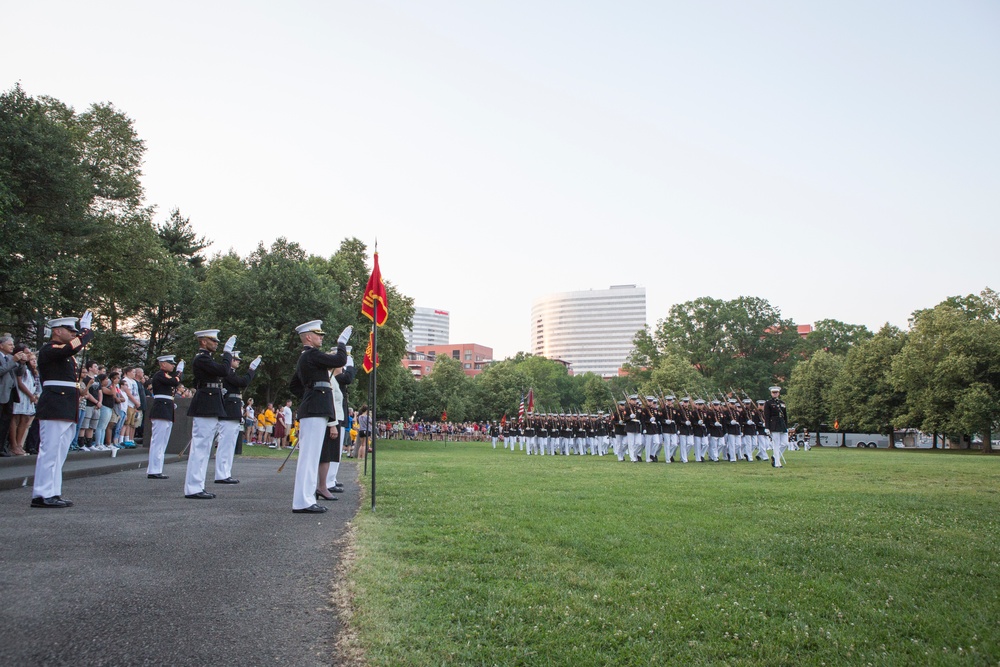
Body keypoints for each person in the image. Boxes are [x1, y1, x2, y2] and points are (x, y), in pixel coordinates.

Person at [31, 312, 95, 508]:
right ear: (57, 331)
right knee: (49, 450)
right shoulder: (49, 349)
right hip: (54, 404)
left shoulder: (64, 352)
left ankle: (53, 491)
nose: (73, 334)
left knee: (60, 452)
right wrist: (86, 331)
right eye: (70, 330)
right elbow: (71, 348)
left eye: (75, 331)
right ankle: (41, 494)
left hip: (66, 404)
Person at [289, 319, 350, 514]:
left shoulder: (307, 357)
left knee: (311, 457)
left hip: (314, 406)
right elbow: (340, 361)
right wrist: (341, 343)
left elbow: (294, 385)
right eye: (318, 335)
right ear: (308, 337)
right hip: (314, 408)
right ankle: (303, 501)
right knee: (309, 457)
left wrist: (309, 393)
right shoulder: (311, 355)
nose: (321, 338)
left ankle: (305, 499)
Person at [184, 329, 235, 499]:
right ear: (203, 342)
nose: (216, 343)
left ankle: (197, 485)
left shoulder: (206, 359)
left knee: (204, 448)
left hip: (210, 401)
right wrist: (227, 353)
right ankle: (193, 487)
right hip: (206, 402)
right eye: (213, 341)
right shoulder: (202, 358)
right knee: (200, 447)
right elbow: (224, 370)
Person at [215, 350, 260, 484]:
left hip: (233, 410)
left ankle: (225, 472)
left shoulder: (230, 373)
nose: (238, 361)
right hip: (228, 410)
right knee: (225, 445)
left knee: (230, 445)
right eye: (235, 359)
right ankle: (221, 474)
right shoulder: (227, 372)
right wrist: (251, 369)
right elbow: (243, 382)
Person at [146, 354, 183, 479]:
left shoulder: (165, 375)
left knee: (163, 442)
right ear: (163, 364)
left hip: (166, 409)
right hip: (161, 409)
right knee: (158, 442)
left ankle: (157, 468)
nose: (172, 365)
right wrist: (179, 373)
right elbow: (173, 382)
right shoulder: (160, 375)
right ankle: (153, 470)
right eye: (170, 363)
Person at [0, 333, 29, 456]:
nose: (12, 347)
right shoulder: (8, 359)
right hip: (1, 393)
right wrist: (13, 361)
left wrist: (22, 363)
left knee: (5, 422)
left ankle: (1, 448)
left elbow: (19, 372)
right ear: (1, 345)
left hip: (10, 394)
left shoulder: (11, 358)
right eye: (9, 344)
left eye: (13, 344)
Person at [9, 346, 38, 456]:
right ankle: (14, 444)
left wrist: (34, 395)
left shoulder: (28, 367)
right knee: (15, 418)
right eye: (26, 353)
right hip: (21, 395)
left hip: (28, 397)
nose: (28, 354)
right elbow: (19, 382)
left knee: (25, 419)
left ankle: (19, 445)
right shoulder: (18, 365)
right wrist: (30, 395)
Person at [764, 386, 789, 468]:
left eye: (776, 392)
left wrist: (786, 426)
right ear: (771, 393)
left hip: (782, 425)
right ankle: (777, 463)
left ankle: (775, 456)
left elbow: (785, 416)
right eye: (773, 392)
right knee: (776, 444)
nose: (775, 394)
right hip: (773, 425)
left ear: (779, 393)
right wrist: (767, 427)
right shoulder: (768, 403)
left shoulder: (782, 402)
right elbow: (767, 416)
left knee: (785, 443)